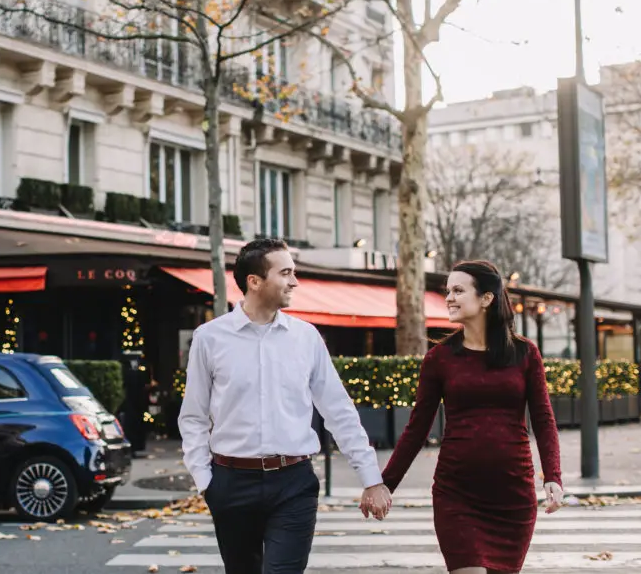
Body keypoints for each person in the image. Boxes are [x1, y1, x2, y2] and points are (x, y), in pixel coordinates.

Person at [178, 238, 392, 574]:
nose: (295, 282)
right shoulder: (210, 338)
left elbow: (338, 410)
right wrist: (206, 481)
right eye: (286, 273)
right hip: (231, 484)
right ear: (255, 281)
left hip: (294, 483)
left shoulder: (305, 338)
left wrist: (371, 478)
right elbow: (192, 417)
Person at [381, 260, 564, 574]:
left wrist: (553, 477)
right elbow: (417, 428)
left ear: (486, 298)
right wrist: (384, 484)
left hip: (513, 496)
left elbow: (544, 421)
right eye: (448, 290)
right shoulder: (439, 358)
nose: (449, 297)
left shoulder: (524, 354)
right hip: (457, 495)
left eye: (458, 290)